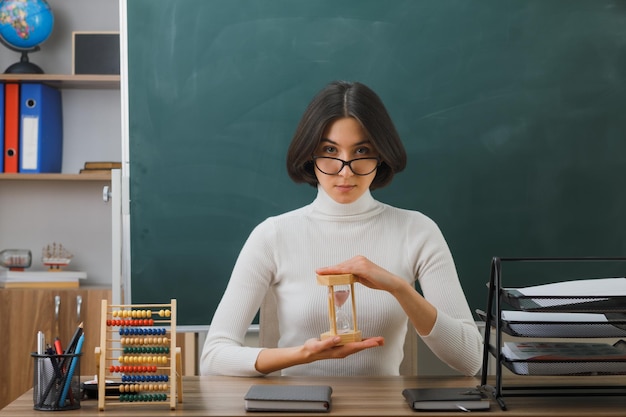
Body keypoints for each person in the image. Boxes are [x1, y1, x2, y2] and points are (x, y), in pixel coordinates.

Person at [200, 80, 483, 377]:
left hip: (383, 409)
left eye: (361, 151)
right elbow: (213, 356)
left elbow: (471, 359)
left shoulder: (418, 231)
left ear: (382, 154)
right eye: (330, 150)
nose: (345, 170)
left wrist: (399, 287)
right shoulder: (272, 235)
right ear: (310, 154)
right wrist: (303, 355)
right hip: (295, 408)